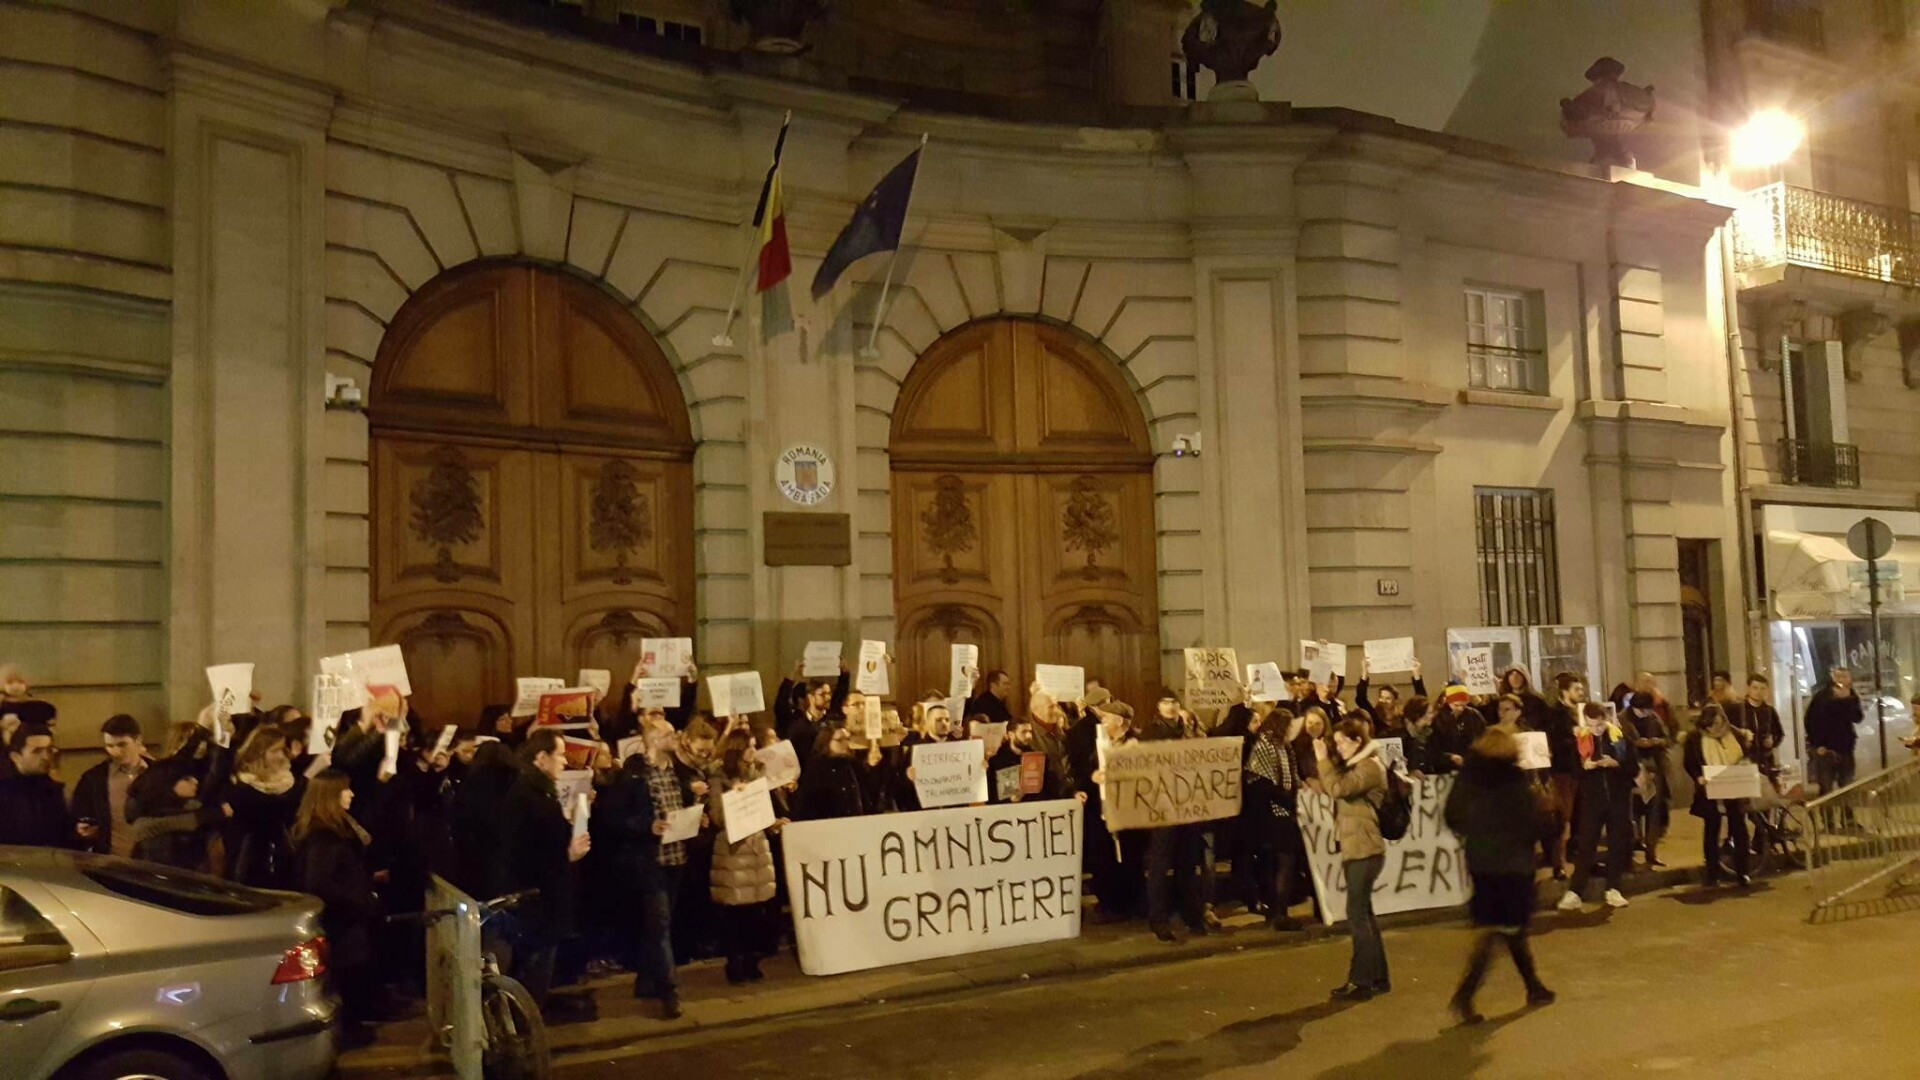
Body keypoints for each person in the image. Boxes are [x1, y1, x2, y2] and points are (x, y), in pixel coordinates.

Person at [1444, 728, 1555, 1023]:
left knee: (1508, 928)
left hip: (1481, 862)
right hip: (1513, 865)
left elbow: (1452, 815)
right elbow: (1531, 823)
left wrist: (1476, 832)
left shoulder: (1468, 777)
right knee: (1501, 929)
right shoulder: (1514, 779)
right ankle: (1465, 995)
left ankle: (1534, 986)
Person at [595, 715, 700, 1018]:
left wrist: (696, 816)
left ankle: (645, 981)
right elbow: (613, 818)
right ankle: (670, 991)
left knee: (658, 926)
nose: (675, 738)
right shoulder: (634, 775)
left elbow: (683, 806)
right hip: (649, 861)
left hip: (676, 857)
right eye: (669, 734)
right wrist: (646, 826)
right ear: (653, 739)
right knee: (660, 925)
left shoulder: (678, 772)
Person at [499, 728, 592, 1009]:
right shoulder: (528, 795)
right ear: (542, 757)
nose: (565, 762)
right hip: (539, 902)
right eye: (560, 755)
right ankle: (524, 1026)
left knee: (537, 966)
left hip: (543, 899)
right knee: (534, 969)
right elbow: (531, 851)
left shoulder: (536, 791)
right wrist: (569, 855)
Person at [293, 769, 380, 1046]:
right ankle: (349, 1032)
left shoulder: (332, 831)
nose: (351, 794)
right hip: (342, 924)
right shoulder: (324, 837)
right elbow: (322, 882)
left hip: (346, 920)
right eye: (345, 789)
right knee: (345, 977)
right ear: (330, 795)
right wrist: (359, 902)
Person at [1315, 717, 1389, 1001]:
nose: (1339, 747)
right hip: (1358, 846)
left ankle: (1361, 981)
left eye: (1343, 742)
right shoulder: (1361, 765)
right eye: (1336, 743)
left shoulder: (1369, 767)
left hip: (1364, 848)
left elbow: (1337, 788)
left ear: (1358, 741)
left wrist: (1323, 761)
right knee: (1365, 914)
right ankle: (1378, 977)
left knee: (1357, 915)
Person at [707, 728, 782, 984]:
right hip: (735, 851)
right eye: (748, 746)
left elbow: (764, 809)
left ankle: (752, 959)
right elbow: (717, 816)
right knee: (736, 911)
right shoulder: (720, 777)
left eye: (754, 745)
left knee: (756, 910)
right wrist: (733, 798)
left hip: (756, 848)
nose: (753, 751)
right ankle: (735, 962)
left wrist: (773, 823)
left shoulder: (758, 774)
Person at [1557, 702, 1638, 912]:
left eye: (1600, 725)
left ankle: (1613, 888)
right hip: (1592, 800)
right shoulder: (1580, 741)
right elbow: (1574, 772)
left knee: (1617, 843)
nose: (1597, 730)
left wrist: (1615, 764)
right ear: (1586, 722)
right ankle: (1575, 891)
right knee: (1586, 845)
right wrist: (1586, 768)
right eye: (1593, 726)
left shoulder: (1620, 738)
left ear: (1606, 719)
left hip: (1618, 799)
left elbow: (1633, 768)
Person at [1242, 706, 1308, 930]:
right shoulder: (1265, 745)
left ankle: (1279, 911)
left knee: (1284, 863)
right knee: (1283, 862)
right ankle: (1279, 912)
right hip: (1274, 813)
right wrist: (1288, 801)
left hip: (1284, 810)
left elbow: (1292, 775)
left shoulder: (1284, 746)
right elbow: (1261, 783)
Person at [221, 725, 306, 888]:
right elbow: (272, 809)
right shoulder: (240, 784)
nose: (281, 756)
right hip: (249, 862)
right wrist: (307, 778)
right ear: (258, 753)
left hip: (280, 859)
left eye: (283, 750)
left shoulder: (286, 779)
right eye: (274, 751)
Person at [1683, 704, 1753, 887]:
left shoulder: (1734, 735)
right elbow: (1689, 761)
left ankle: (1742, 871)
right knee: (1712, 829)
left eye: (1720, 724)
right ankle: (1712, 872)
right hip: (1709, 788)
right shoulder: (1695, 739)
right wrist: (1698, 777)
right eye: (1713, 725)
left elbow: (1745, 755)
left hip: (1733, 785)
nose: (1717, 728)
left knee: (1739, 827)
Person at [70, 714, 150, 857]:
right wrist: (84, 829)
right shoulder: (94, 779)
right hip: (110, 860)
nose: (116, 752)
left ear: (138, 740)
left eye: (122, 745)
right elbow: (78, 815)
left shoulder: (157, 773)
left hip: (153, 861)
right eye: (110, 746)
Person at [1540, 674, 1584, 880]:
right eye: (1577, 689)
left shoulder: (1581, 711)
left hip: (1581, 769)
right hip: (1563, 771)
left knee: (1580, 817)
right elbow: (1553, 742)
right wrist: (1574, 737)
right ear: (1565, 692)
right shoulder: (1556, 713)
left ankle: (1579, 858)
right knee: (1562, 818)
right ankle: (1559, 864)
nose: (1581, 692)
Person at [0, 724, 72, 847]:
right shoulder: (4, 792)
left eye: (48, 750)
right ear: (15, 756)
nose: (45, 757)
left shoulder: (52, 789)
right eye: (37, 751)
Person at [1624, 692, 1671, 869]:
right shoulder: (1623, 719)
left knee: (1653, 813)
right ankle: (1630, 854)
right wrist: (1637, 743)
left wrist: (1654, 742)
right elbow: (1623, 742)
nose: (1643, 713)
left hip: (1653, 768)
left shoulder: (1653, 718)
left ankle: (1651, 853)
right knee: (1632, 814)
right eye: (1640, 710)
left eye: (1646, 710)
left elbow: (1667, 738)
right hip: (1632, 770)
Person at [1805, 667, 1862, 797]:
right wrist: (1817, 744)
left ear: (1850, 679)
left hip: (1845, 748)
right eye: (1838, 676)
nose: (1841, 680)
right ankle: (1827, 816)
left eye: (1845, 676)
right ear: (1833, 678)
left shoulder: (1852, 696)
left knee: (1847, 785)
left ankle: (1847, 816)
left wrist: (1847, 700)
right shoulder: (1822, 696)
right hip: (1825, 749)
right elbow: (1811, 720)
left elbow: (1857, 717)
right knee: (1826, 787)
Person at [1728, 674, 1786, 773]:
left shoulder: (1769, 710)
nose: (1759, 692)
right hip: (1743, 760)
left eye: (1763, 688)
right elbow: (1729, 731)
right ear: (1748, 689)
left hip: (1766, 760)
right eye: (1755, 688)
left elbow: (1780, 734)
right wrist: (1742, 740)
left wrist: (1772, 743)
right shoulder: (1737, 709)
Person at [1353, 657, 1425, 736]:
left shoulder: (1403, 717)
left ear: (1395, 700)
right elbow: (1361, 699)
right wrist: (1364, 673)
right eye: (1381, 697)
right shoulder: (1374, 715)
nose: (1384, 701)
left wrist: (1416, 674)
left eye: (1388, 698)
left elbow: (1421, 701)